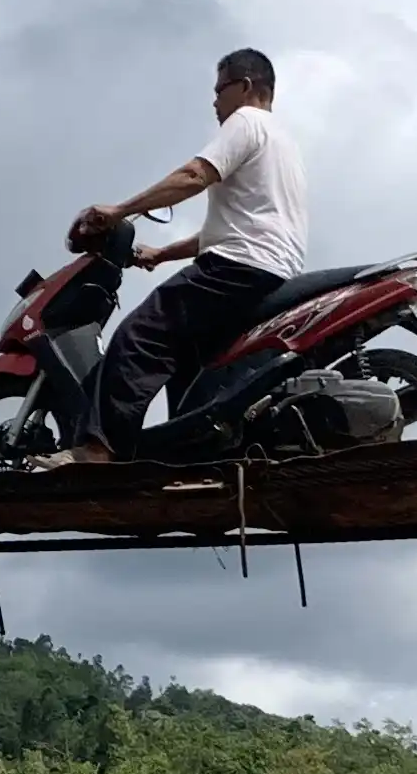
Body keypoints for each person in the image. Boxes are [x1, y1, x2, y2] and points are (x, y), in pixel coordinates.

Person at [60, 47, 306, 465]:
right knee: (190, 363)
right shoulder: (283, 142)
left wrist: (119, 211)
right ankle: (192, 455)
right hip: (267, 269)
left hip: (238, 266)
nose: (214, 101)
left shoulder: (246, 122)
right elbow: (231, 228)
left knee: (138, 337)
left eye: (219, 89)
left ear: (244, 87)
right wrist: (161, 253)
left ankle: (98, 450)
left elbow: (194, 176)